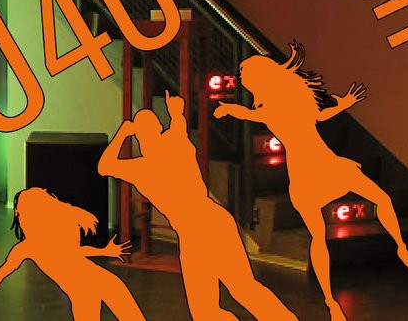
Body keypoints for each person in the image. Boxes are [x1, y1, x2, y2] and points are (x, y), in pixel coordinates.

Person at [215, 42, 408, 321]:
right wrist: (230, 109)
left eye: (246, 76)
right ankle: (332, 300)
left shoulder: (283, 103)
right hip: (311, 171)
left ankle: (400, 249)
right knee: (325, 232)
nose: (244, 81)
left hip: (321, 166)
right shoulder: (278, 105)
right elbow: (254, 114)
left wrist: (343, 104)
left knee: (374, 202)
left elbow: (315, 115)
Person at [100, 92, 296, 320]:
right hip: (213, 220)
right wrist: (176, 114)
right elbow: (178, 126)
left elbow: (105, 165)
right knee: (238, 291)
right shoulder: (172, 144)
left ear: (139, 135)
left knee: (212, 305)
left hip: (197, 230)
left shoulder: (142, 167)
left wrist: (123, 133)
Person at [0, 187, 143, 320]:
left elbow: (73, 254)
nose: (18, 214)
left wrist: (104, 251)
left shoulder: (41, 242)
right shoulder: (28, 247)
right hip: (83, 293)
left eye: (20, 210)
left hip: (103, 283)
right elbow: (0, 274)